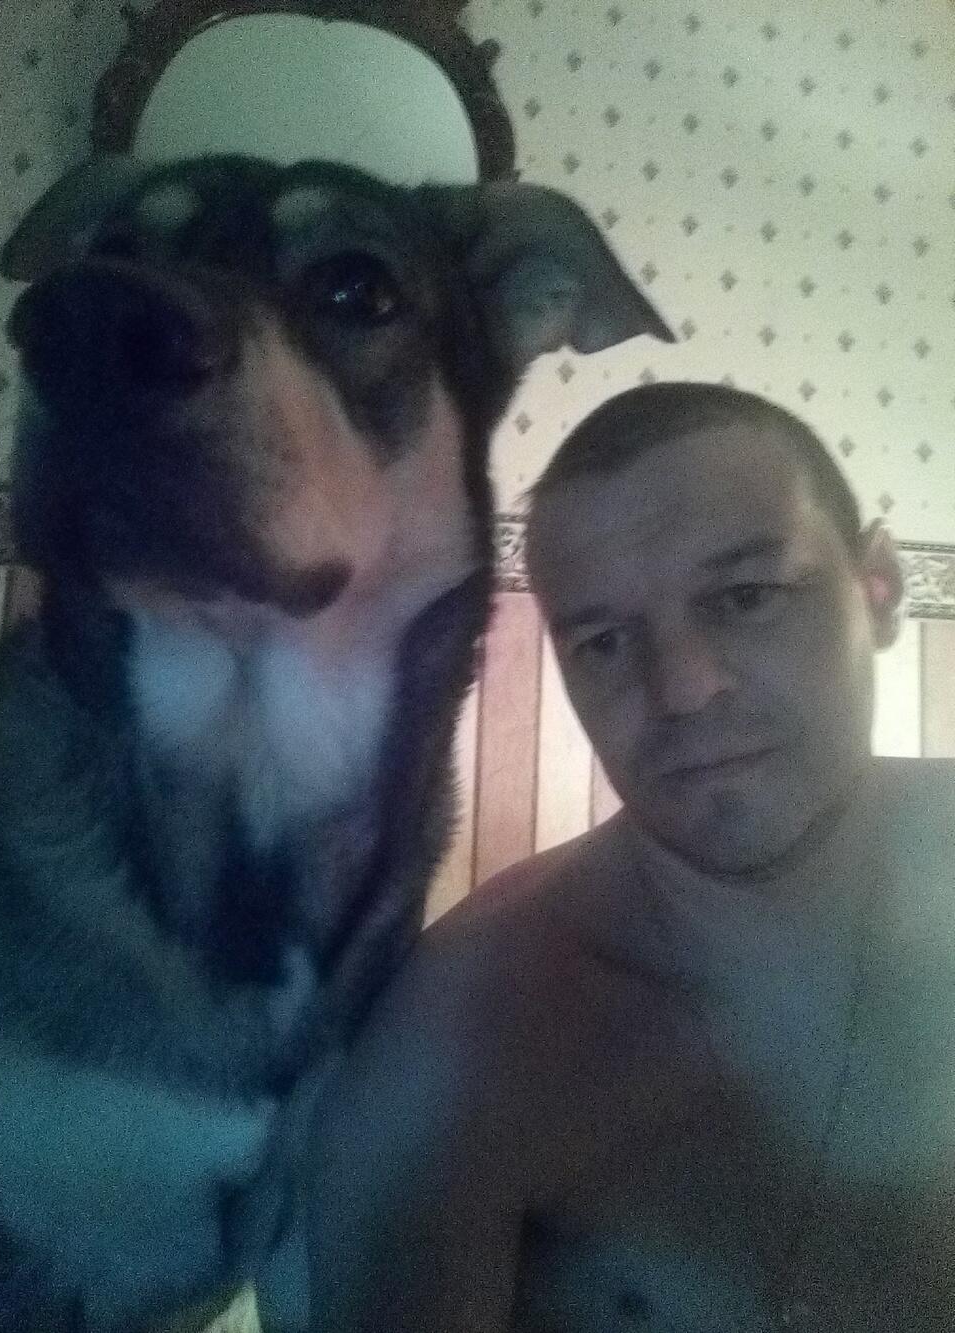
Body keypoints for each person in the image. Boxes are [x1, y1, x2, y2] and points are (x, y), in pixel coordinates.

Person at [304, 383, 955, 1331]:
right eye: (605, 641)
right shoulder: (460, 1040)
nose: (683, 688)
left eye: (746, 598)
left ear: (880, 589)